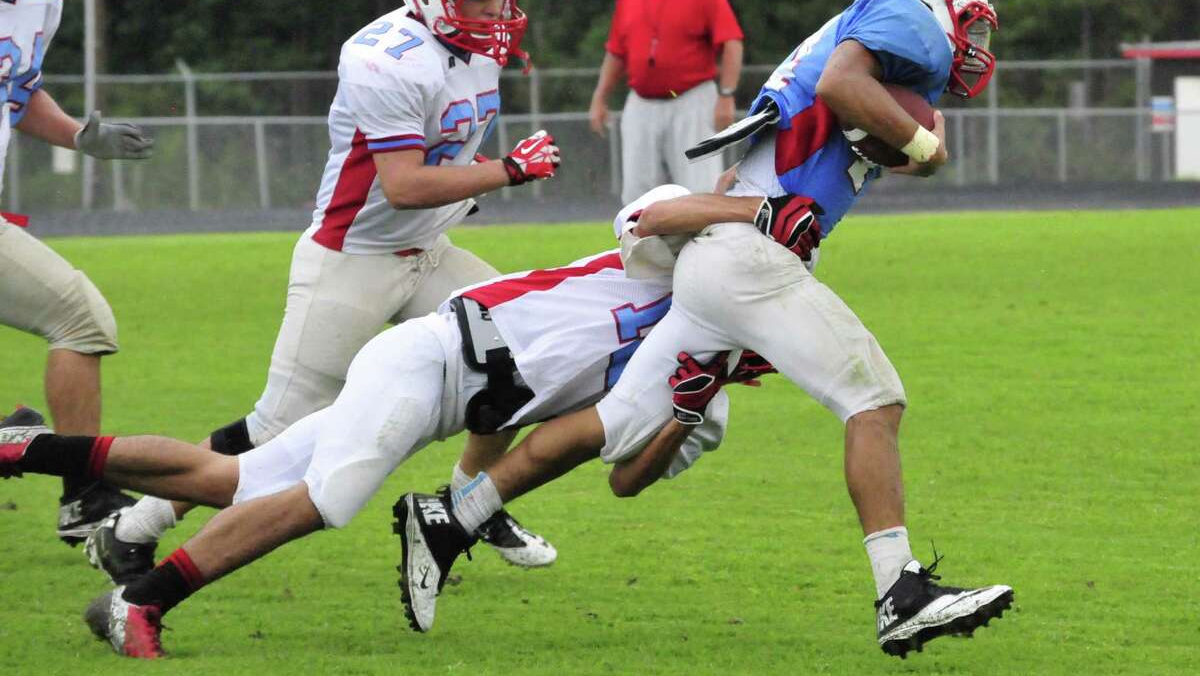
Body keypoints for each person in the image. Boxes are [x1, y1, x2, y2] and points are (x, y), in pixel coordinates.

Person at [396, 0, 1014, 659]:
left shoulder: (862, 40)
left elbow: (862, 114)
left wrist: (909, 141)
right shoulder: (899, 15)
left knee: (613, 421)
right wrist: (925, 147)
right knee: (874, 400)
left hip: (724, 260)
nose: (971, 41)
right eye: (968, 20)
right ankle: (900, 593)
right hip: (752, 257)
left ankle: (451, 518)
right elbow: (847, 85)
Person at [0, 185, 782, 658]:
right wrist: (758, 209)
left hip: (443, 397)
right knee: (325, 500)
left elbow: (625, 479)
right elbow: (649, 213)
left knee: (230, 479)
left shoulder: (701, 390)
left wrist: (684, 412)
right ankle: (142, 600)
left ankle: (28, 448)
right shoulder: (676, 259)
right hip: (433, 356)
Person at [80, 0, 565, 584]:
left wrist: (484, 173)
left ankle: (467, 504)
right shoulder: (383, 58)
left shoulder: (475, 48)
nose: (495, 11)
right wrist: (507, 171)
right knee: (275, 429)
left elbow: (444, 153)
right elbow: (403, 184)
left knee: (513, 354)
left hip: (427, 250)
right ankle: (134, 527)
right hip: (353, 260)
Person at [0, 0, 154, 545]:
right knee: (79, 316)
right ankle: (78, 490)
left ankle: (64, 478)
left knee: (79, 317)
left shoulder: (39, 3)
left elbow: (17, 88)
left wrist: (76, 136)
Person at [588, 0, 745, 203]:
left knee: (700, 190)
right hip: (642, 104)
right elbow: (616, 52)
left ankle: (706, 235)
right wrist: (600, 97)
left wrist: (726, 95)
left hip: (692, 101)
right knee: (637, 196)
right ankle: (642, 235)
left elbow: (731, 42)